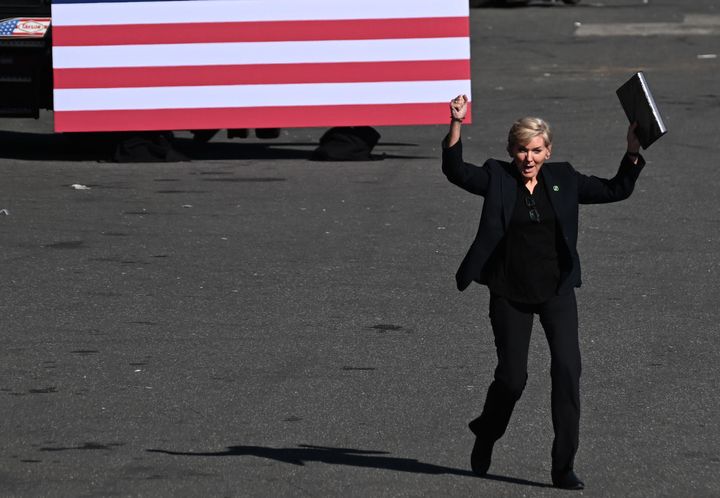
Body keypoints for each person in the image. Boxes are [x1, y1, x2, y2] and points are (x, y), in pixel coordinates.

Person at [441, 94, 644, 490]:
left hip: (556, 291)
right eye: (521, 150)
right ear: (511, 151)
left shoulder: (565, 179)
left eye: (536, 150)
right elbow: (455, 171)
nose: (528, 157)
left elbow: (616, 189)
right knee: (513, 379)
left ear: (548, 151)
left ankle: (562, 466)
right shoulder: (497, 178)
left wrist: (632, 152)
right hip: (509, 291)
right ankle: (487, 432)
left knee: (568, 372)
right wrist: (456, 123)